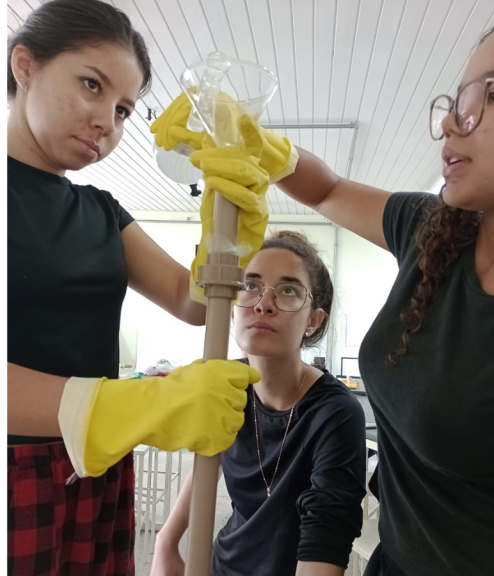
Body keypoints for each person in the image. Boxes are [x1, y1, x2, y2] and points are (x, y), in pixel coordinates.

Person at [155, 23, 494, 576]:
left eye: (492, 93)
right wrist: (258, 145)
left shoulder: (330, 412)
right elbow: (328, 188)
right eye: (458, 99)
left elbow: (328, 520)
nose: (454, 121)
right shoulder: (433, 230)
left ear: (316, 317)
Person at [6, 1, 260, 574]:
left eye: (123, 109)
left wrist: (232, 233)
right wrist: (132, 403)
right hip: (22, 468)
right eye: (91, 85)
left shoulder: (101, 211)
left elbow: (191, 301)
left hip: (100, 460)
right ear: (25, 66)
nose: (107, 122)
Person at [152, 231, 366, 576]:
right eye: (250, 286)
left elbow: (327, 532)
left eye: (289, 290)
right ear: (232, 310)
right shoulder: (227, 385)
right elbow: (209, 459)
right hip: (223, 564)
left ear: (314, 320)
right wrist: (166, 541)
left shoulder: (335, 415)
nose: (263, 303)